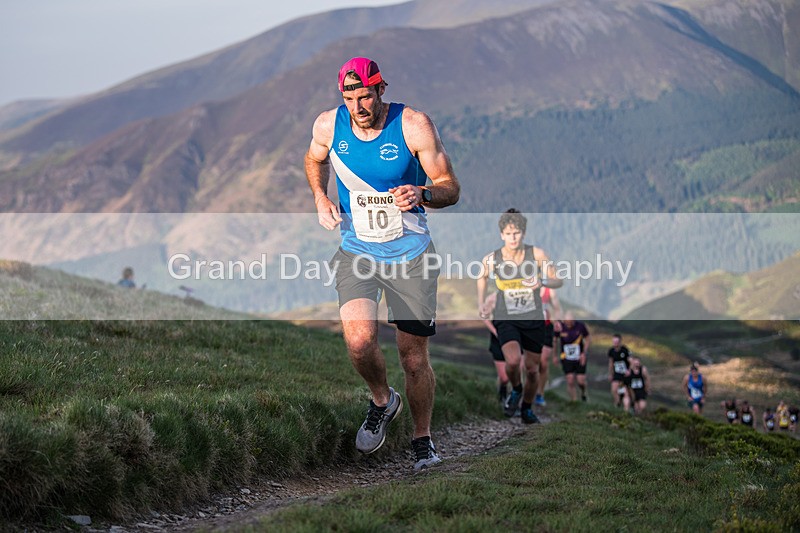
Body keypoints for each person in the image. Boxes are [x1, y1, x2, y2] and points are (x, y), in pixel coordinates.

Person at [305, 57, 460, 470]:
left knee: (413, 358)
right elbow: (313, 159)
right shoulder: (328, 125)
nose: (358, 106)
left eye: (366, 96)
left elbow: (450, 187)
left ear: (381, 89)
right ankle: (381, 400)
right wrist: (321, 197)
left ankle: (422, 439)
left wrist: (423, 194)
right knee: (358, 342)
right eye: (350, 97)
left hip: (410, 255)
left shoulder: (413, 125)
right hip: (358, 251)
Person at [477, 209, 562, 424]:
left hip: (533, 318)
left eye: (516, 233)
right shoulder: (492, 258)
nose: (513, 238)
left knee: (532, 370)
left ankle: (526, 408)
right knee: (513, 361)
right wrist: (481, 302)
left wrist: (542, 282)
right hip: (506, 317)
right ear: (501, 235)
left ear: (523, 233)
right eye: (508, 233)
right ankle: (516, 389)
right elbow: (482, 277)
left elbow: (558, 280)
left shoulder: (537, 254)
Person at [535, 286, 562, 407]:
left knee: (543, 362)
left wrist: (557, 320)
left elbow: (557, 306)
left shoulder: (549, 290)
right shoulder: (526, 284)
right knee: (530, 363)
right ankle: (526, 390)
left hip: (546, 327)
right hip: (530, 326)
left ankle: (540, 394)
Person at [555, 311, 591, 402]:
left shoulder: (581, 326)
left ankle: (583, 392)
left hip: (579, 357)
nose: (568, 324)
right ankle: (574, 401)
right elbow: (554, 340)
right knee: (570, 380)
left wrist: (584, 353)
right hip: (566, 357)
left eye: (570, 322)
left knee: (580, 381)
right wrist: (555, 355)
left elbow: (588, 338)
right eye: (567, 322)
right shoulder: (560, 326)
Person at [607, 333, 631, 409]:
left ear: (620, 342)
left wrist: (629, 370)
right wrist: (610, 374)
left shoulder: (625, 350)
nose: (615, 343)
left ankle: (626, 409)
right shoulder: (611, 351)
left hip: (625, 374)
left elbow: (631, 361)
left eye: (617, 342)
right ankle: (617, 403)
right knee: (614, 389)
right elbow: (611, 363)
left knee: (625, 392)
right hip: (617, 373)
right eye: (614, 342)